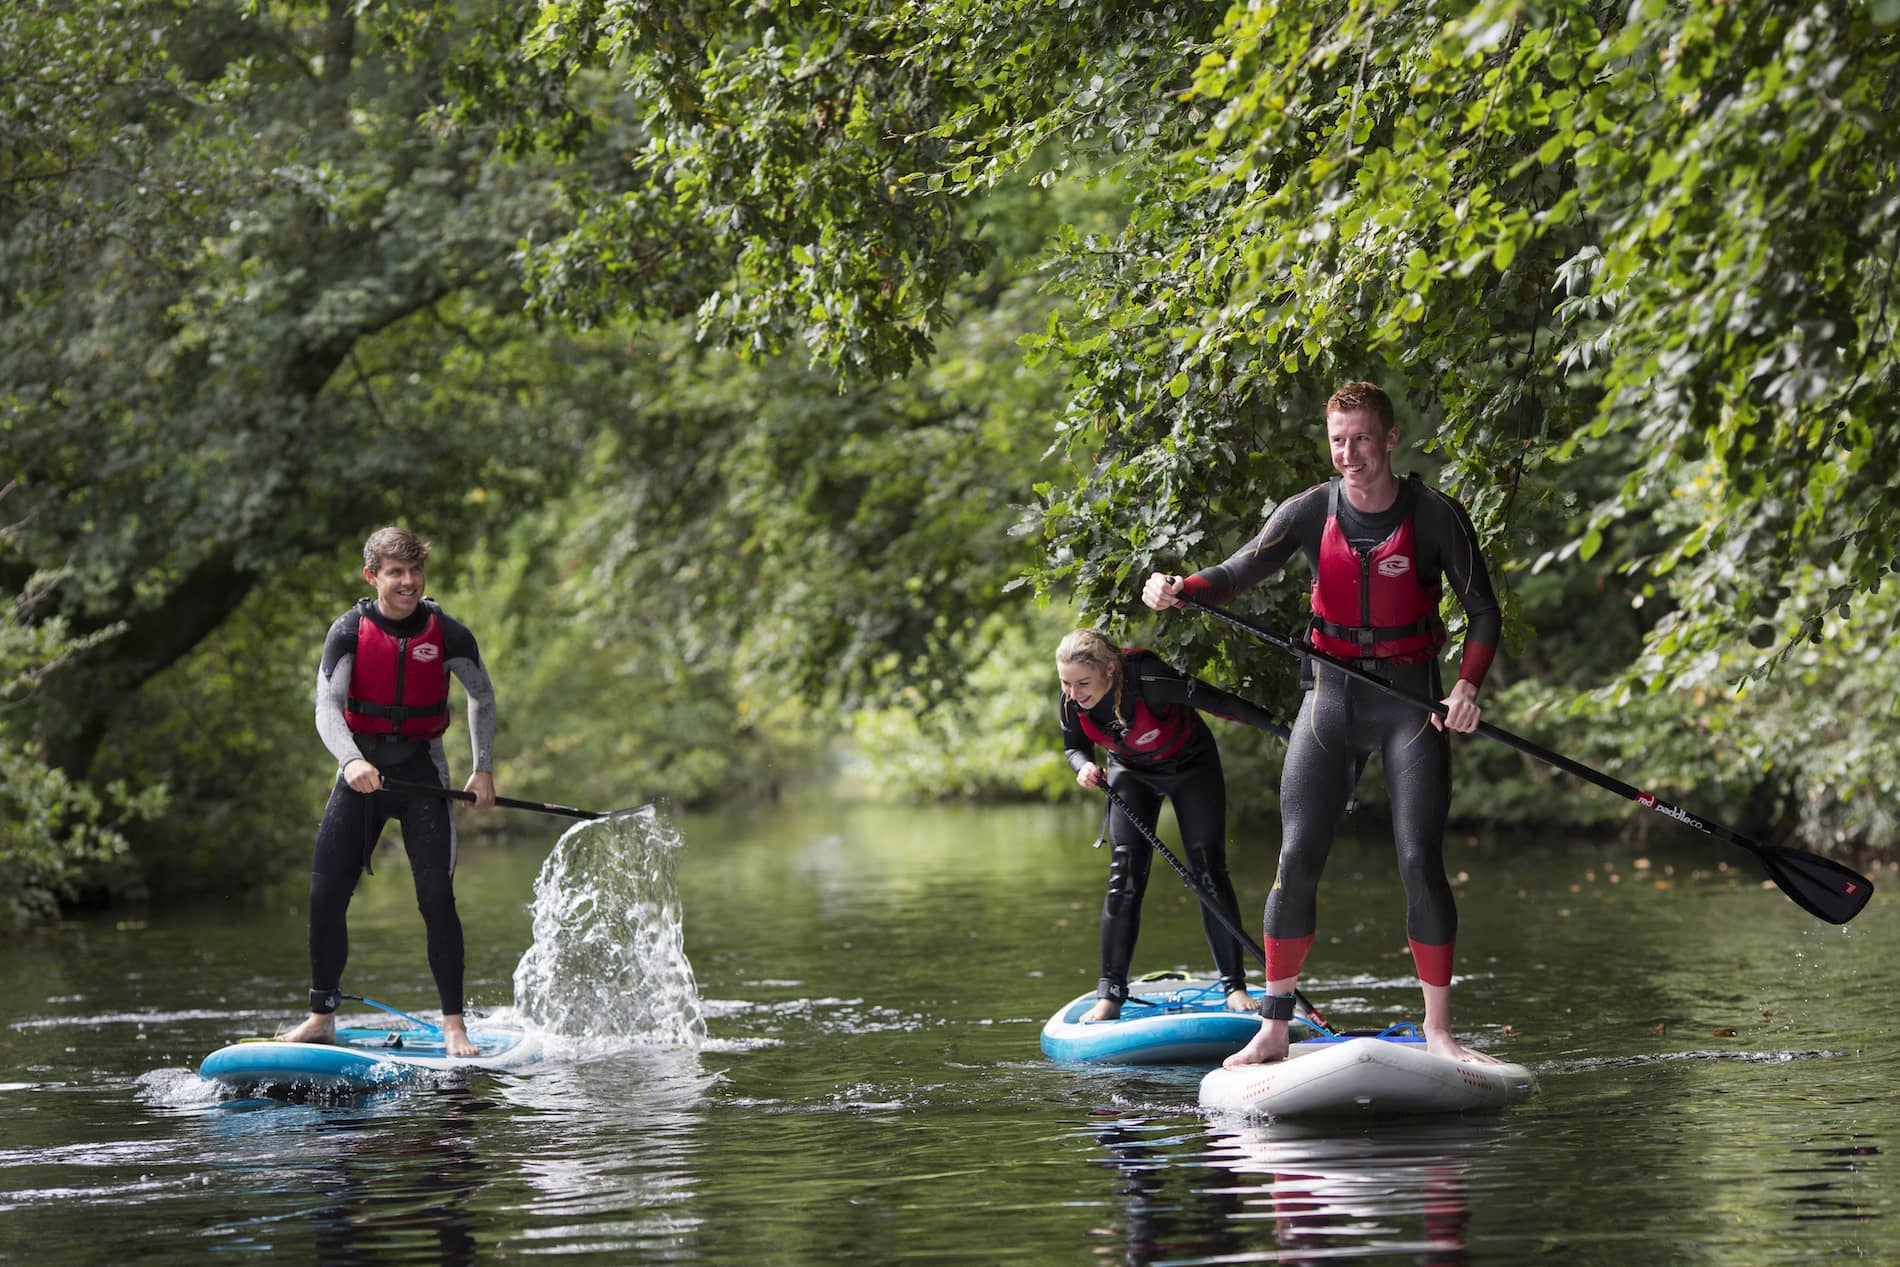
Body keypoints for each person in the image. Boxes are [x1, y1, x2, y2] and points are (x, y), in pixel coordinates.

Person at [1141, 381, 1502, 1066]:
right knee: (1296, 856)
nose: (1349, 453)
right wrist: (1179, 588)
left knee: (1420, 860)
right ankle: (1272, 1028)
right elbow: (1239, 569)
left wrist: (1466, 685)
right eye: (1338, 439)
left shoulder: (1435, 517)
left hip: (1409, 705)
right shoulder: (1309, 510)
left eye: (1362, 437)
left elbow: (1483, 610)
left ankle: (1439, 1031)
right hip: (1330, 699)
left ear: (1391, 438)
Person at [278, 526, 498, 1056]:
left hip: (423, 777)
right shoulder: (349, 631)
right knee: (326, 895)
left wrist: (483, 768)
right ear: (371, 576)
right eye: (395, 572)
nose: (408, 582)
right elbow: (327, 707)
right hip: (361, 776)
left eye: (414, 571)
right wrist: (351, 759)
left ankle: (453, 1025)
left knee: (436, 899)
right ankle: (321, 1016)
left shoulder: (448, 633)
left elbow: (482, 698)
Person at [1057, 627, 1282, 1022]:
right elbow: (1074, 746)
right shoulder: (1071, 701)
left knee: (1208, 871)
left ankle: (1235, 986)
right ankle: (1110, 993)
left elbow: (1219, 702)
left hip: (1192, 766)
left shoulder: (1149, 680)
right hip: (1131, 773)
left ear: (1110, 668)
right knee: (1123, 876)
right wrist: (1083, 766)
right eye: (1065, 682)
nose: (1073, 693)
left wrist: (1287, 730)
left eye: (1082, 682)